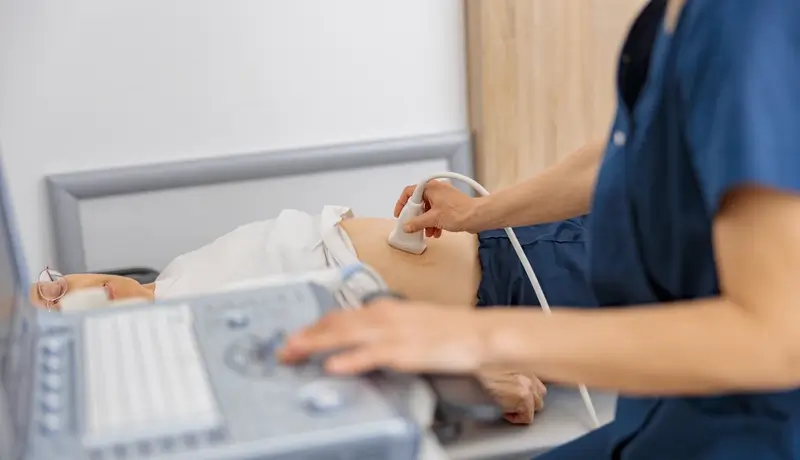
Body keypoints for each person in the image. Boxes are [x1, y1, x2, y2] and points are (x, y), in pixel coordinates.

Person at [279, 0, 800, 459]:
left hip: (749, 430)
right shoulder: (669, 22)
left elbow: (780, 337)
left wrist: (471, 338)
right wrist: (477, 214)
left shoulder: (746, 19)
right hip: (665, 412)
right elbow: (623, 150)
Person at [32, 204, 587, 423]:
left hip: (505, 241)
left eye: (54, 288)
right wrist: (466, 370)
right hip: (522, 291)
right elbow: (339, 361)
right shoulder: (194, 341)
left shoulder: (172, 278)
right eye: (60, 313)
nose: (79, 293)